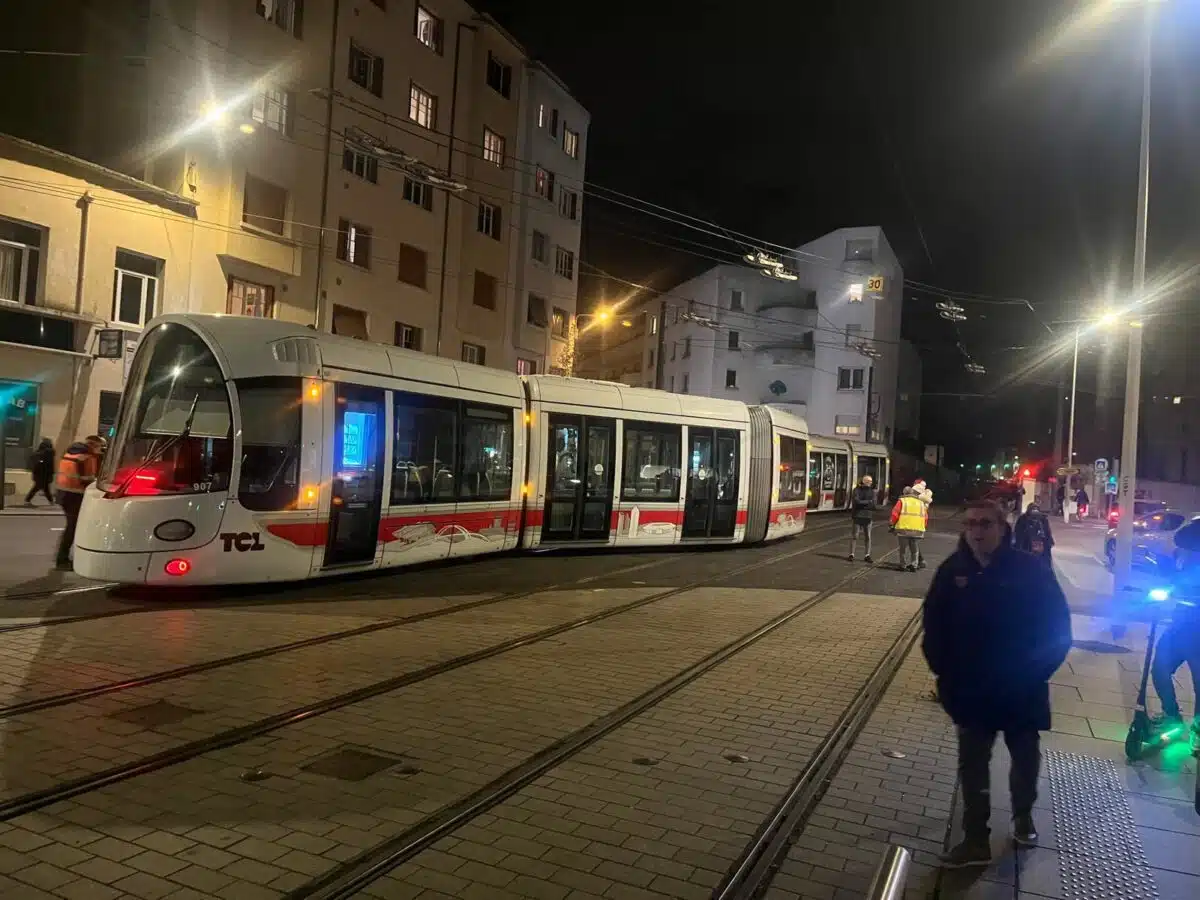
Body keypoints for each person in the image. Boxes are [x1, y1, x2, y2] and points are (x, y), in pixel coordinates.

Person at [923, 500, 1072, 867]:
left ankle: (1023, 816)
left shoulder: (1029, 569)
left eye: (985, 524)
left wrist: (1036, 672)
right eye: (970, 523)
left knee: (1024, 757)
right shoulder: (952, 570)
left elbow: (1057, 627)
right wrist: (946, 677)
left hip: (1022, 687)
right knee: (972, 765)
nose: (976, 531)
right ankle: (976, 839)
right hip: (971, 690)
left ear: (1003, 528)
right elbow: (934, 626)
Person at [54, 435, 102, 570]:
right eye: (99, 447)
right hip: (75, 495)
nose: (99, 450)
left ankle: (63, 557)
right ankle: (62, 559)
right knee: (73, 527)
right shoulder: (87, 457)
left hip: (63, 493)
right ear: (93, 445)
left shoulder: (70, 453)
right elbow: (88, 479)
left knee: (72, 526)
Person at [890, 485, 927, 572]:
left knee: (903, 549)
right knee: (915, 549)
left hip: (904, 530)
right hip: (917, 530)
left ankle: (903, 565)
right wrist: (923, 526)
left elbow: (895, 514)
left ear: (904, 493)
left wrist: (891, 524)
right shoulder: (921, 503)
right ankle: (914, 565)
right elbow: (925, 517)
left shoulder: (902, 501)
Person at [1013, 502, 1055, 567]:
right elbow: (1018, 533)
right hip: (1027, 545)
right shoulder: (1023, 519)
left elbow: (1047, 533)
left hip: (1040, 546)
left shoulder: (1043, 519)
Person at [848, 474, 876, 563]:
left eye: (871, 482)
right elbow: (857, 502)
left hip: (868, 517)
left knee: (868, 536)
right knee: (855, 536)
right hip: (857, 515)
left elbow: (873, 504)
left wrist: (863, 503)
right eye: (868, 481)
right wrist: (868, 502)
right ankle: (851, 554)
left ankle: (867, 555)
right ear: (863, 482)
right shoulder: (856, 490)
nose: (870, 483)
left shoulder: (872, 491)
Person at [24, 438, 56, 507]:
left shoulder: (38, 452)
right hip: (45, 474)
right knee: (39, 488)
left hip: (38, 473)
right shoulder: (49, 452)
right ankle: (27, 500)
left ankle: (51, 501)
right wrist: (52, 473)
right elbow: (50, 465)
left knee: (43, 488)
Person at [913, 478, 933, 569]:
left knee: (913, 541)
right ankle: (918, 561)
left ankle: (919, 561)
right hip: (919, 519)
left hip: (918, 520)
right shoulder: (925, 495)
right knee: (913, 541)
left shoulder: (921, 496)